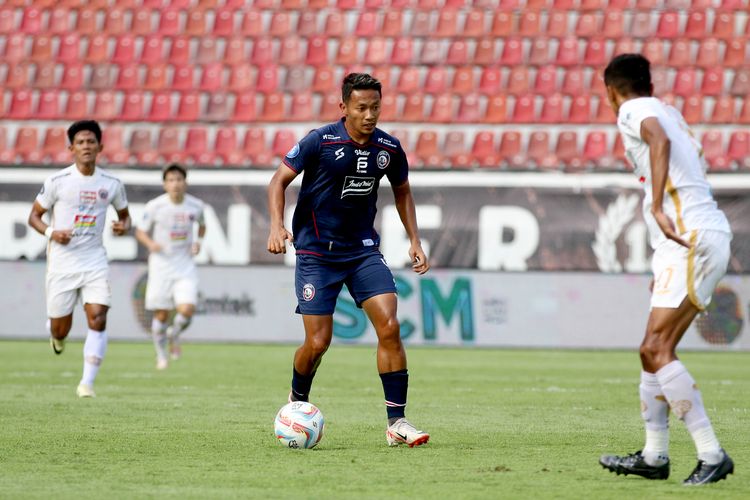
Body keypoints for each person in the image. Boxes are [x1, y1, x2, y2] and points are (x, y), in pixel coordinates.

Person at [267, 73, 431, 447]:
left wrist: (415, 240)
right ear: (344, 107)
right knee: (318, 343)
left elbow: (402, 191)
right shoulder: (319, 141)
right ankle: (297, 400)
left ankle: (397, 422)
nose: (369, 115)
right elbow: (277, 181)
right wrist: (276, 227)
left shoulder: (387, 148)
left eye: (375, 107)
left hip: (362, 251)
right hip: (316, 254)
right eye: (361, 107)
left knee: (389, 325)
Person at [598, 54, 734, 485]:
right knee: (650, 350)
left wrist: (656, 206)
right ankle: (654, 456)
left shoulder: (634, 110)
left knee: (658, 349)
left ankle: (711, 454)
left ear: (610, 91)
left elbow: (658, 142)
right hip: (689, 241)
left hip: (689, 239)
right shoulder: (670, 111)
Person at [28, 120, 130, 398]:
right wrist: (51, 232)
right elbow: (33, 217)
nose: (86, 146)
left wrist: (123, 227)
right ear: (70, 148)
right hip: (62, 263)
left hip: (94, 261)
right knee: (62, 329)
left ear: (100, 147)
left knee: (97, 317)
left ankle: (87, 383)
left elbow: (124, 216)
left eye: (91, 141)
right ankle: (56, 335)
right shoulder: (57, 182)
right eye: (81, 142)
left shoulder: (111, 184)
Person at [135, 163, 206, 370]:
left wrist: (198, 242)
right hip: (161, 266)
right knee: (161, 314)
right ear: (165, 184)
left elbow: (202, 225)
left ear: (186, 182)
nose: (175, 184)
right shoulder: (155, 206)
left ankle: (174, 333)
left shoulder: (195, 206)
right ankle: (161, 356)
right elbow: (140, 231)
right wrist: (150, 244)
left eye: (179, 179)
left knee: (187, 309)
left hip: (184, 266)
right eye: (171, 180)